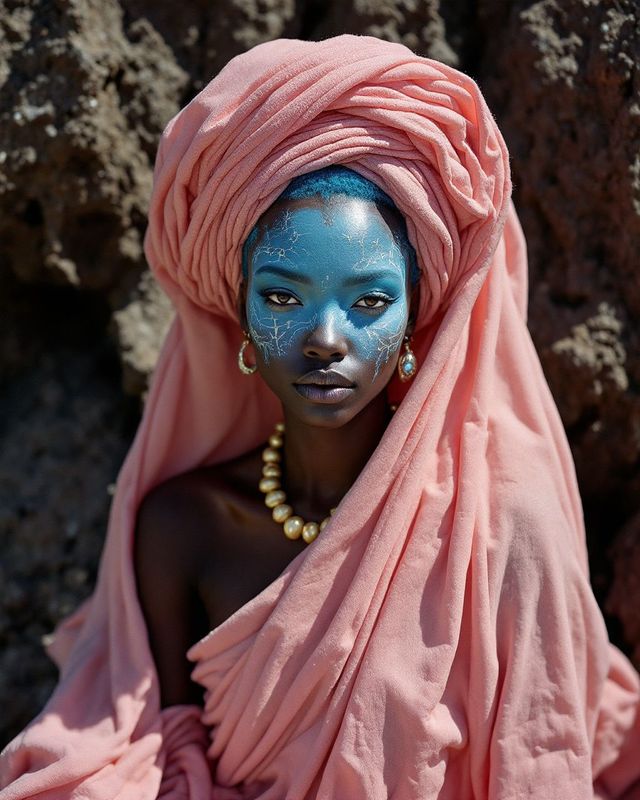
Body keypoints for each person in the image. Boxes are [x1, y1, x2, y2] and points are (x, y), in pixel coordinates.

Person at [1, 33, 639, 800]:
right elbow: (156, 757)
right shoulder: (182, 526)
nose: (325, 339)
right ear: (238, 315)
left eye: (369, 302)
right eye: (281, 297)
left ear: (415, 323)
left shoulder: (501, 529)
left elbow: (540, 762)